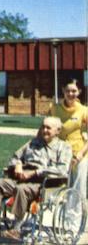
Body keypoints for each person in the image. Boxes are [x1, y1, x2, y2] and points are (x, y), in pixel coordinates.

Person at [0, 117, 72, 242]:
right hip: (22, 178)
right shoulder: (33, 143)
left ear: (58, 131)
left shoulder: (64, 148)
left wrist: (36, 172)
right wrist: (18, 164)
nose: (44, 130)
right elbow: (15, 157)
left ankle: (16, 229)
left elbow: (62, 171)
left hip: (44, 184)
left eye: (48, 128)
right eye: (43, 127)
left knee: (21, 189)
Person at [49, 78, 88, 231]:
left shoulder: (84, 110)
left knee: (77, 190)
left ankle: (73, 225)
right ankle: (61, 221)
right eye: (68, 90)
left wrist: (80, 155)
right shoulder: (54, 109)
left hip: (80, 155)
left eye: (74, 91)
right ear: (63, 91)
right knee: (60, 188)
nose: (71, 94)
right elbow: (47, 131)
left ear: (79, 92)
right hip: (60, 155)